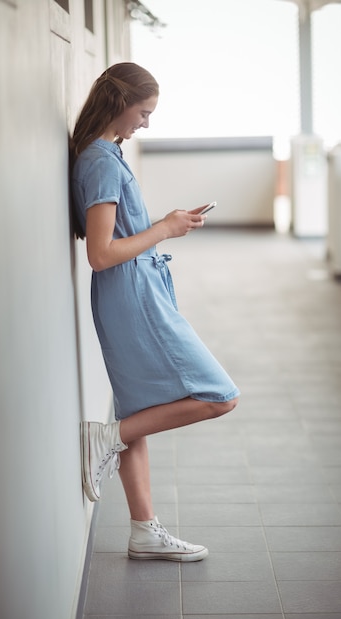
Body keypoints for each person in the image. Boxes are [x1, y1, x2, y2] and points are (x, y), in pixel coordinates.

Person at [70, 62, 239, 562]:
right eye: (143, 113)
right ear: (120, 103)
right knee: (220, 395)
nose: (146, 123)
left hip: (134, 293)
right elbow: (100, 254)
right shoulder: (101, 160)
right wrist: (164, 228)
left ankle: (144, 530)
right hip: (133, 297)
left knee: (141, 413)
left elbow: (117, 238)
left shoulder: (103, 154)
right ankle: (106, 437)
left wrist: (169, 224)